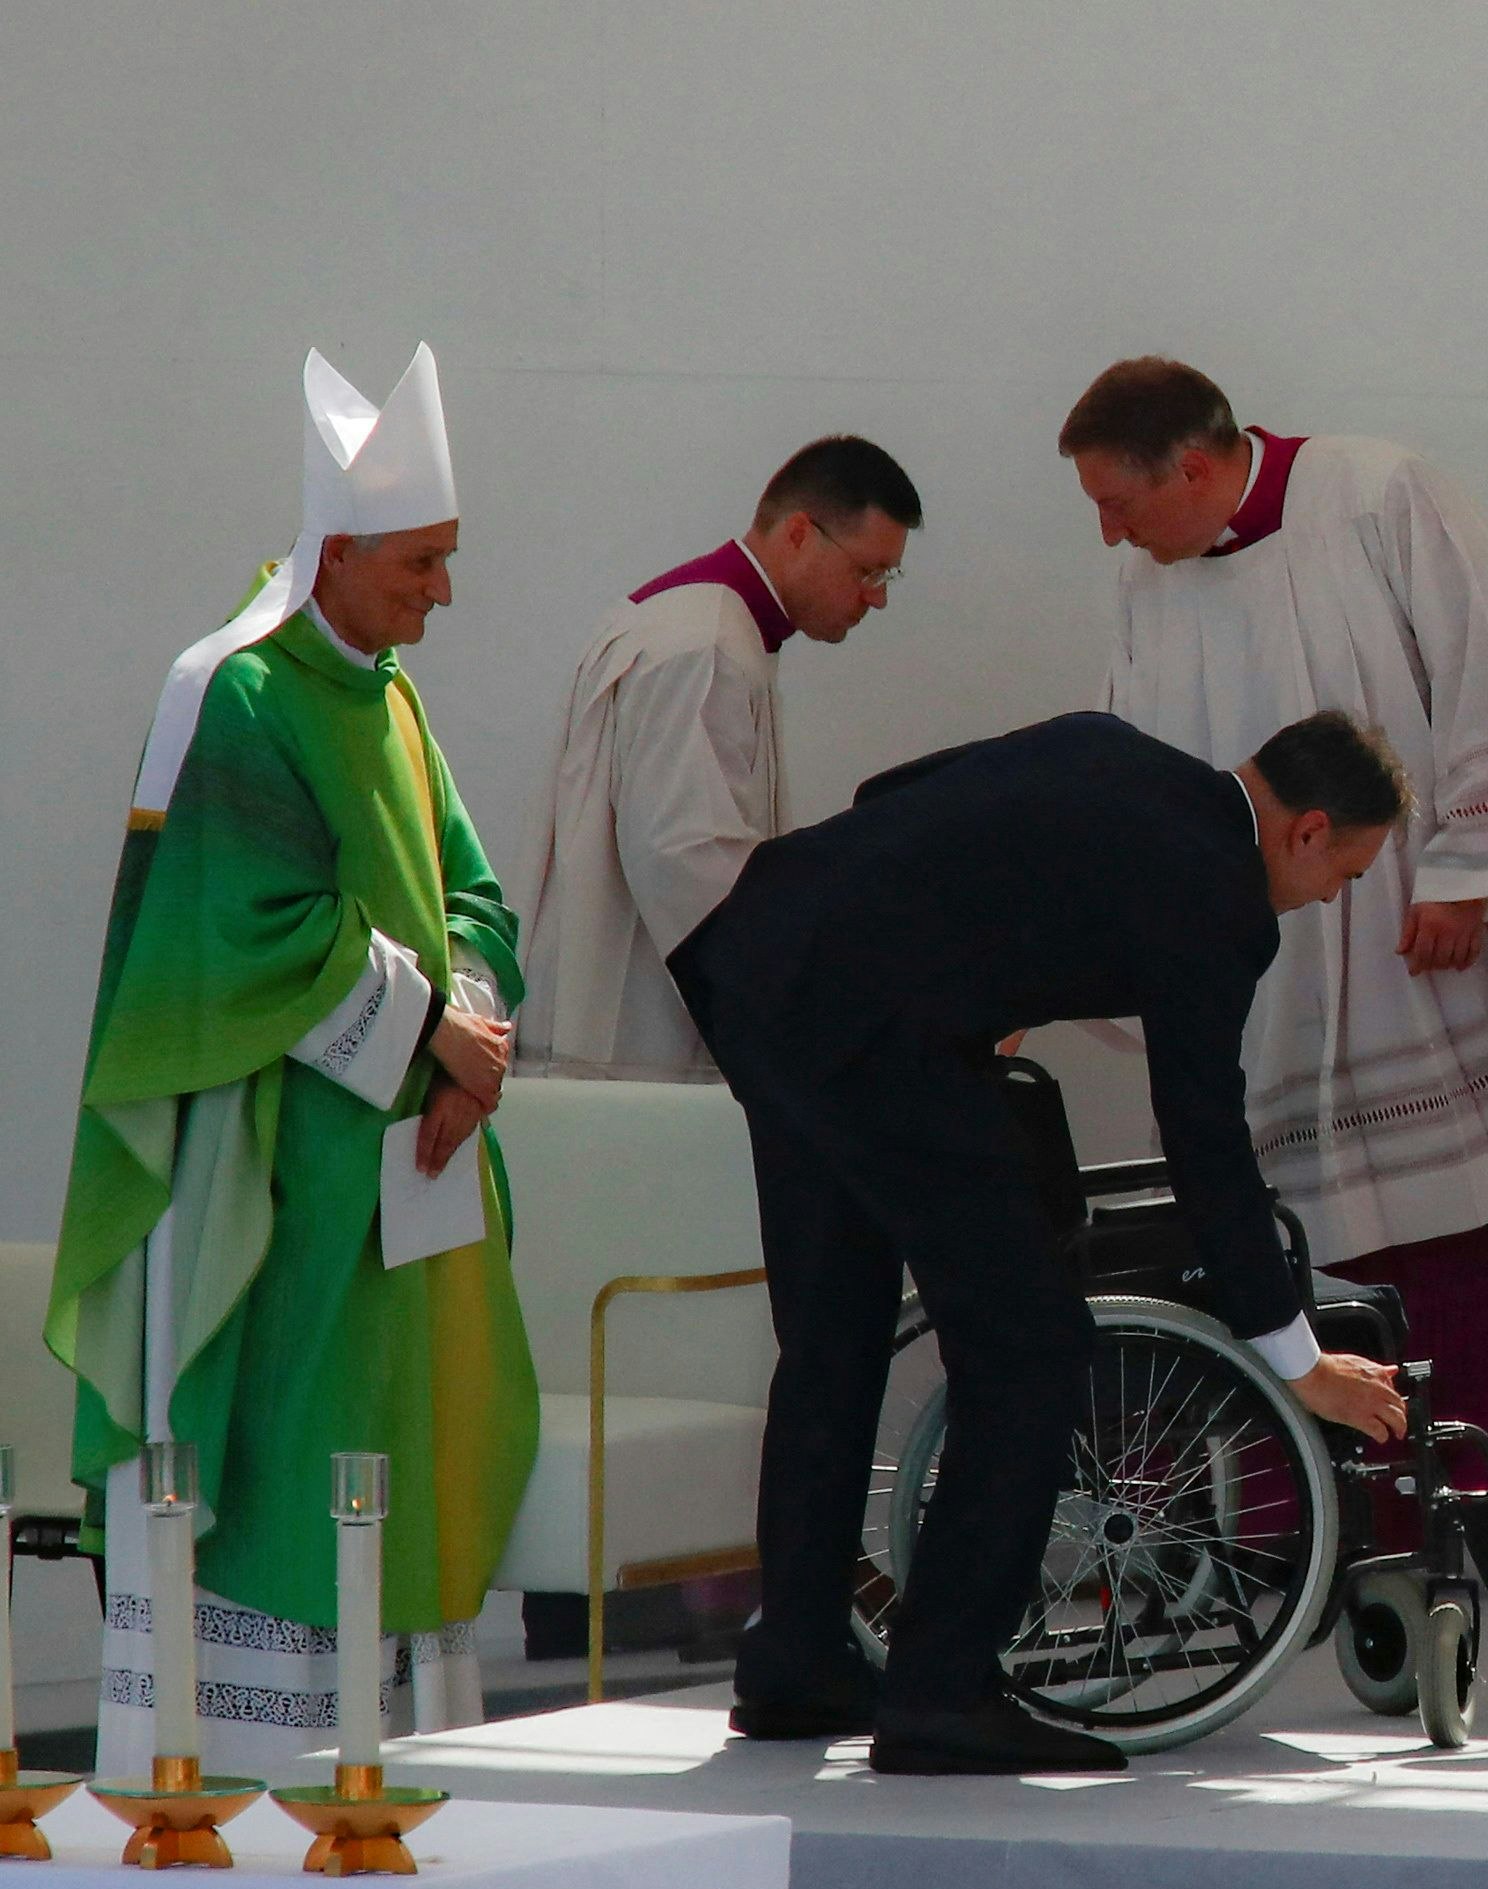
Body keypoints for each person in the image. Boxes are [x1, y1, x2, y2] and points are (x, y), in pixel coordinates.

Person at [672, 709, 1415, 1775]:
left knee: (832, 1331)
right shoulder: (1218, 896)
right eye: (1344, 873)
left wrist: (973, 968)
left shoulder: (1109, 746)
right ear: (1304, 830)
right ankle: (940, 1690)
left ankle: (794, 1661)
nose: (1330, 898)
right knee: (1029, 1348)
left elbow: (896, 784)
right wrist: (1295, 1357)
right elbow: (1206, 1139)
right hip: (878, 1032)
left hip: (764, 964)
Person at [45, 345, 535, 1781]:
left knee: (402, 1466)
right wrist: (426, 1024)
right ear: (337, 549)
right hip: (270, 1182)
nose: (443, 591)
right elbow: (236, 932)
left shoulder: (386, 693)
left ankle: (395, 1779)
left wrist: (470, 1044)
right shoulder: (236, 695)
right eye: (423, 563)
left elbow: (470, 896)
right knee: (279, 1470)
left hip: (411, 1166)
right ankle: (249, 1789)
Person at [1061, 359, 1488, 1482]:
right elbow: (1132, 775)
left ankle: (1471, 1494)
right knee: (1281, 1227)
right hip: (1265, 965)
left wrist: (1468, 872)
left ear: (1199, 466)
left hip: (1412, 940)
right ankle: (1306, 1527)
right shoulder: (1148, 584)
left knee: (1463, 1230)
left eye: (1118, 504)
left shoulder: (1375, 495)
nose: (1111, 536)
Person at [518, 436, 921, 1078]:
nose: (877, 596)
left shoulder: (709, 625)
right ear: (799, 533)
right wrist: (814, 1000)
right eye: (868, 571)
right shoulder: (700, 646)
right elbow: (688, 860)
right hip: (640, 1043)